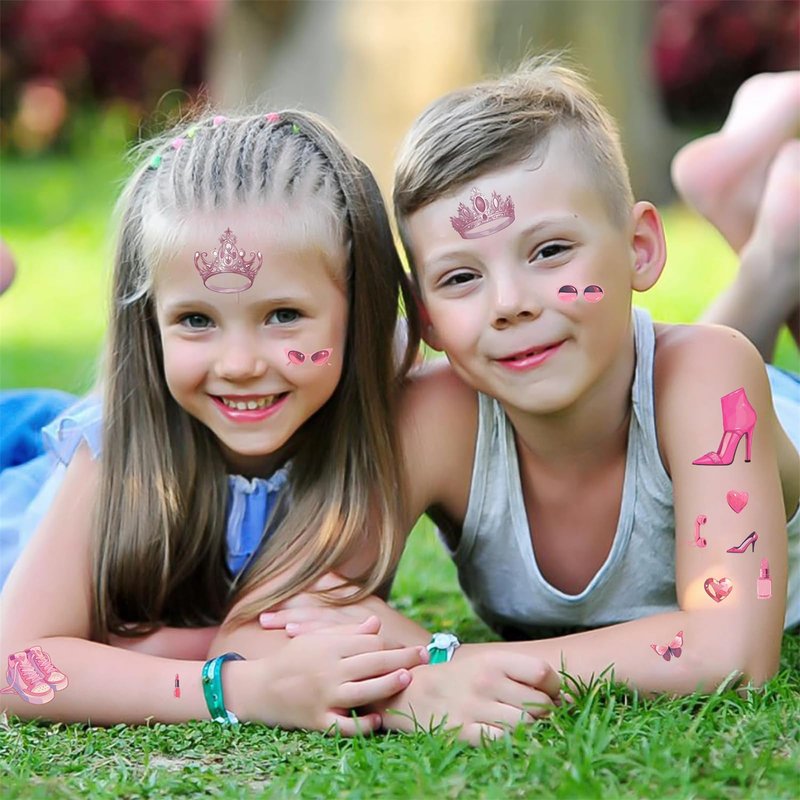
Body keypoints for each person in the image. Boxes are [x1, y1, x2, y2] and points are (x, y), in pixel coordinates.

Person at [252, 61, 799, 739]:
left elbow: (733, 653)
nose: (509, 303)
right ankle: (774, 240)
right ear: (425, 317)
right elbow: (271, 611)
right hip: (662, 386)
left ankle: (777, 251)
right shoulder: (437, 416)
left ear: (638, 249)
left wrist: (450, 662)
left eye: (550, 251)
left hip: (749, 412)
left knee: (714, 363)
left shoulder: (710, 378)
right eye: (460, 277)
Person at [0, 109, 434, 731]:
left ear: (359, 312)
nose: (238, 365)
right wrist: (241, 683)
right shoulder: (111, 451)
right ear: (149, 324)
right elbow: (18, 666)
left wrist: (143, 649)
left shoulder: (396, 407)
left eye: (283, 315)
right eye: (196, 320)